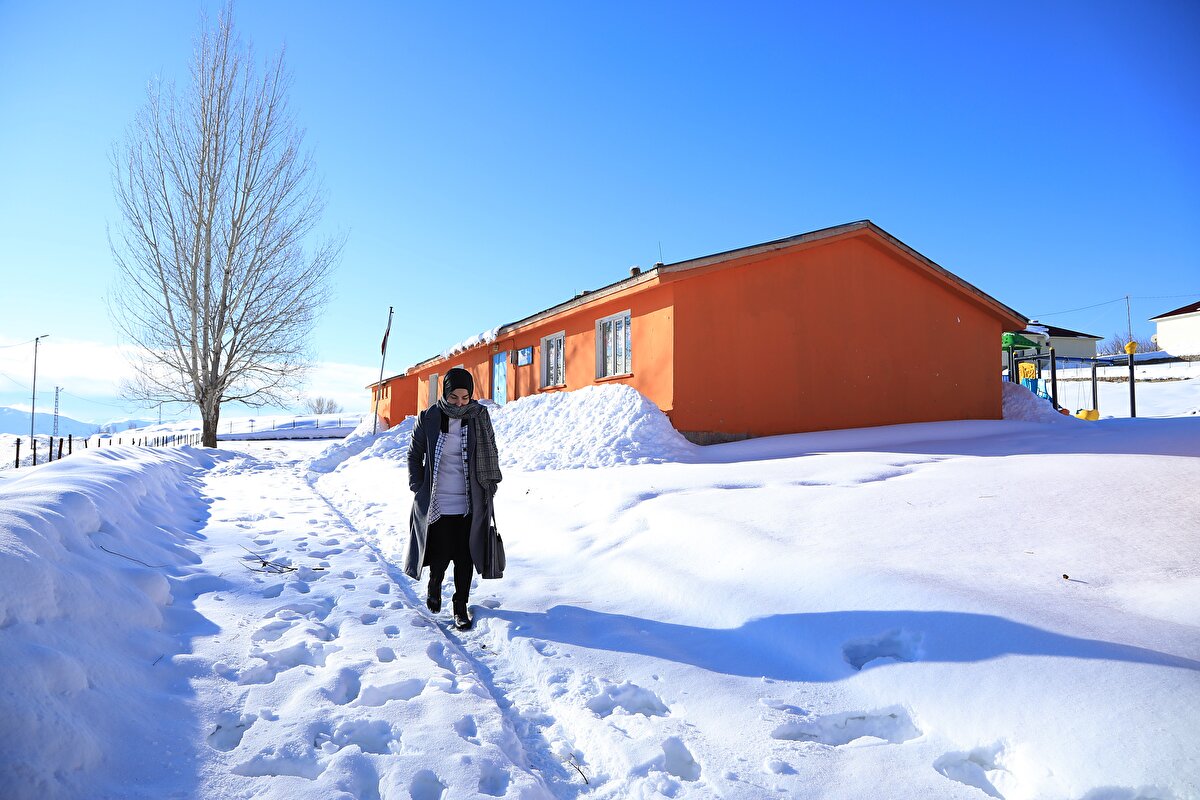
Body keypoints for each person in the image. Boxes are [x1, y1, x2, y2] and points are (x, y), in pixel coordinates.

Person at [404, 367, 502, 630]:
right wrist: (417, 485)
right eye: (454, 397)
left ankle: (460, 607)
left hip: (471, 499)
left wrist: (489, 485)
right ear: (445, 393)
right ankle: (434, 584)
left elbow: (491, 450)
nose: (460, 403)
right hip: (437, 498)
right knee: (441, 551)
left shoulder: (479, 417)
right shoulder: (429, 418)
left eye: (465, 397)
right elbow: (414, 455)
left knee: (465, 555)